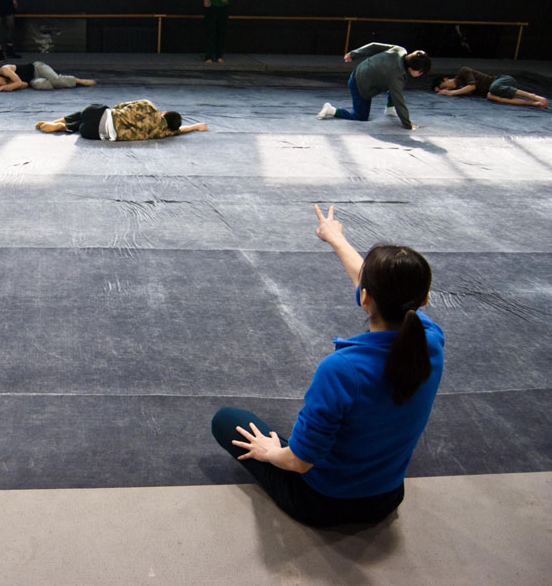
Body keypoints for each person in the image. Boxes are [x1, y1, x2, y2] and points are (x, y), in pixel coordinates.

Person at [211, 204, 444, 528]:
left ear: (364, 298)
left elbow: (301, 462)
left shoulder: (341, 370)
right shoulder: (431, 340)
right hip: (387, 496)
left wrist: (270, 452)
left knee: (227, 421)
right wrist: (336, 239)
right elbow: (383, 289)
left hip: (323, 504)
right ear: (424, 300)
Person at [317, 43, 432, 130]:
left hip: (362, 69)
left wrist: (354, 54)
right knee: (360, 116)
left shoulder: (400, 50)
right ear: (412, 68)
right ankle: (331, 110)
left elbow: (373, 46)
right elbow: (399, 101)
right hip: (359, 84)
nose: (420, 75)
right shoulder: (396, 77)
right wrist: (408, 125)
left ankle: (389, 109)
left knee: (399, 82)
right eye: (420, 72)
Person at [35, 99, 208, 141]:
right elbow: (179, 131)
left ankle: (62, 120)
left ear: (164, 112)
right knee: (83, 125)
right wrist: (196, 126)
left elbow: (122, 106)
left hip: (100, 114)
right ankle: (67, 127)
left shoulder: (149, 105)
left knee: (89, 112)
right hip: (96, 133)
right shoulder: (161, 133)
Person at [433, 67, 549, 109]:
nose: (446, 91)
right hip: (498, 90)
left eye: (443, 87)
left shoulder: (463, 72)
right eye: (443, 91)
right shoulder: (460, 90)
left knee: (493, 89)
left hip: (503, 80)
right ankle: (533, 104)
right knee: (491, 96)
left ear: (446, 79)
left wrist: (451, 93)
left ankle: (533, 96)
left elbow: (472, 86)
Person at [0, 61, 96, 92]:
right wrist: (8, 87)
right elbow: (24, 84)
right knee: (42, 85)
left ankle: (80, 81)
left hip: (37, 68)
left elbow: (18, 82)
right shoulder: (7, 84)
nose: (2, 85)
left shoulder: (4, 70)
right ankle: (62, 82)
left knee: (55, 80)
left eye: (0, 84)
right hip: (33, 79)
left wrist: (3, 88)